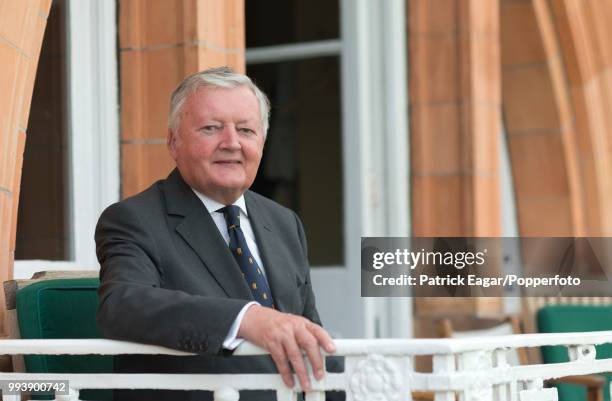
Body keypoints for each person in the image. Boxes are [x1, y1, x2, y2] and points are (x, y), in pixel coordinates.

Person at [95, 66, 336, 401]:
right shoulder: (133, 220)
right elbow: (123, 307)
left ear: (262, 143)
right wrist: (246, 319)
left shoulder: (284, 223)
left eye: (246, 130)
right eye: (211, 128)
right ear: (173, 142)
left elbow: (310, 338)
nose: (232, 143)